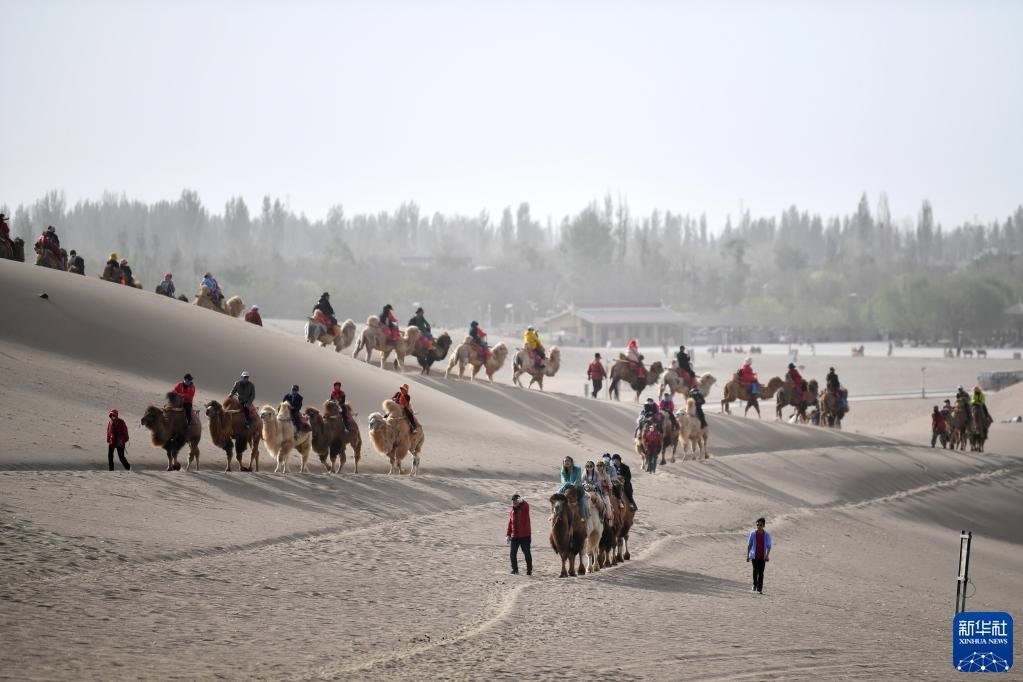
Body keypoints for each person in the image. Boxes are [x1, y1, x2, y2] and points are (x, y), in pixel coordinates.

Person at [506, 494, 533, 575]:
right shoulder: (512, 512)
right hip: (514, 536)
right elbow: (510, 523)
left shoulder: (524, 509)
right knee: (512, 554)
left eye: (516, 500)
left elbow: (526, 505)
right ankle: (515, 570)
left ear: (519, 501)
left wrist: (523, 501)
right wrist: (508, 534)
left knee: (527, 554)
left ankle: (529, 570)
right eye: (513, 501)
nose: (514, 502)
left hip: (525, 536)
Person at [746, 517, 772, 594]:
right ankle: (754, 585)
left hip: (762, 556)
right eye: (757, 525)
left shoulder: (766, 535)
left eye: (760, 525)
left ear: (763, 525)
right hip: (754, 555)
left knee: (761, 572)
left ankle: (759, 589)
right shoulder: (753, 533)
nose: (759, 526)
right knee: (755, 570)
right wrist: (747, 555)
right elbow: (749, 545)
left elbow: (769, 546)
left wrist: (767, 555)